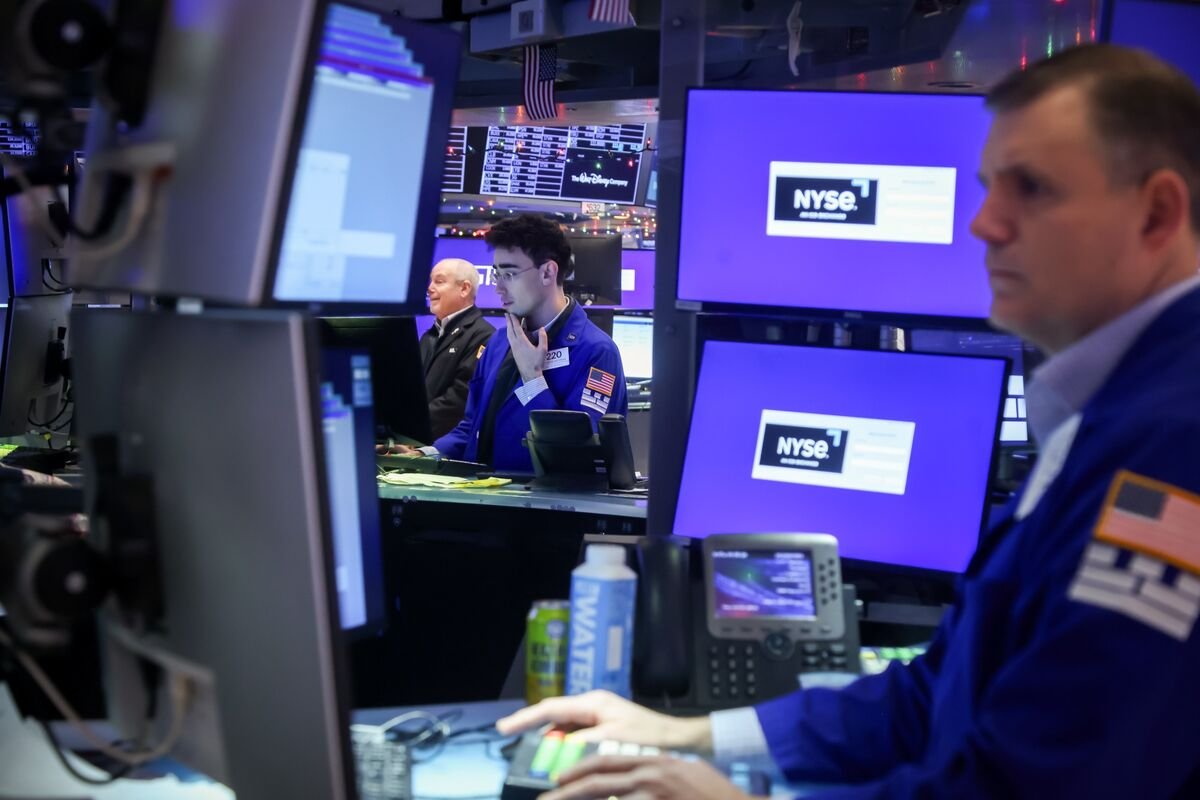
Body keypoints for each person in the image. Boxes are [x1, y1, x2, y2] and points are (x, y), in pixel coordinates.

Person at [496, 44, 1200, 798]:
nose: (985, 224)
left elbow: (1052, 779)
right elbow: (936, 697)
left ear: (1157, 212)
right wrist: (691, 735)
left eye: (1032, 188)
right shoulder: (1111, 415)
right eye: (987, 188)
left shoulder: (1176, 443)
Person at [392, 214, 627, 472]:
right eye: (497, 274)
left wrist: (533, 380)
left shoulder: (596, 351)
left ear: (547, 272)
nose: (498, 288)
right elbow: (473, 427)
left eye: (509, 274)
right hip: (482, 491)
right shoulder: (499, 342)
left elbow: (578, 455)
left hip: (539, 496)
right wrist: (424, 454)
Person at [420, 257, 494, 439]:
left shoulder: (483, 335)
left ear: (464, 288)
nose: (429, 288)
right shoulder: (429, 336)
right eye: (431, 281)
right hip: (413, 442)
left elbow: (460, 398)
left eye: (439, 281)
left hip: (446, 447)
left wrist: (412, 426)